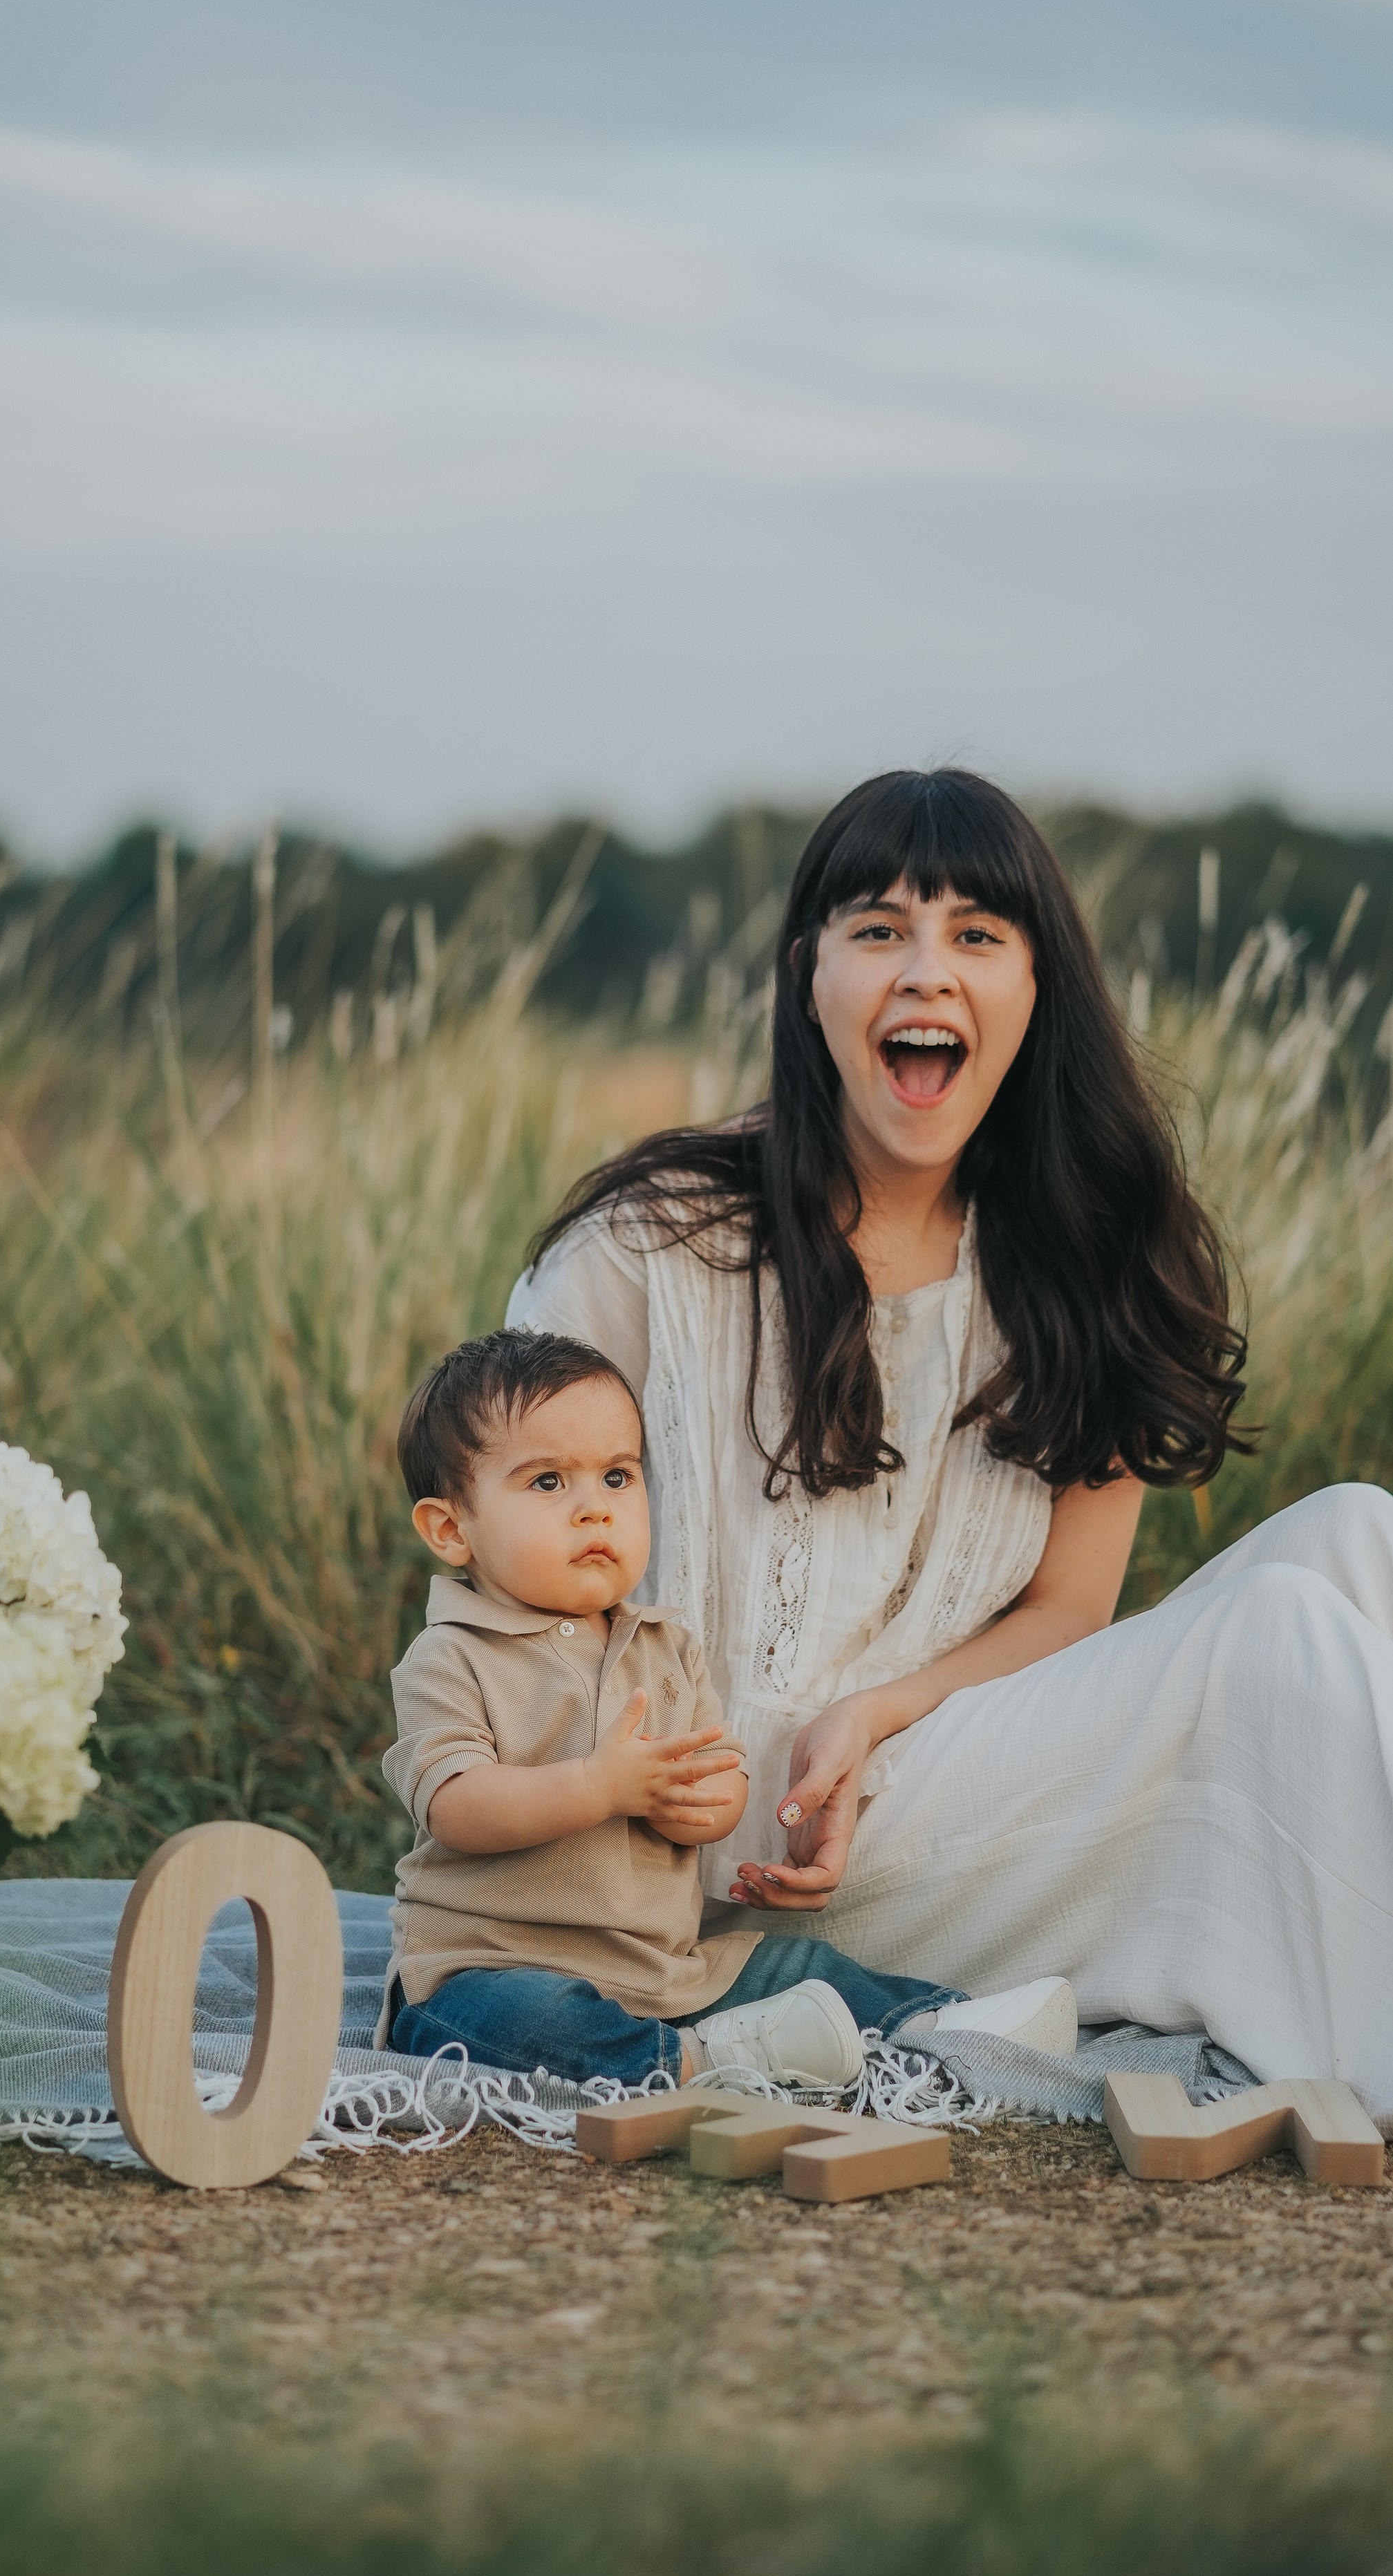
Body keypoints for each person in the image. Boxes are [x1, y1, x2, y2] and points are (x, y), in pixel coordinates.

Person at [509, 768, 1393, 2118]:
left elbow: (1069, 1609)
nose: (926, 970)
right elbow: (516, 1612)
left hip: (924, 1767)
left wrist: (873, 1712)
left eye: (977, 934)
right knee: (1273, 1631)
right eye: (878, 929)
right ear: (809, 975)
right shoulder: (650, 1249)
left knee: (1357, 1529)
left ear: (1037, 987)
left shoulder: (1077, 1249)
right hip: (721, 1837)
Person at [377, 1326, 1076, 2087]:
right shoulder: (450, 1655)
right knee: (503, 2024)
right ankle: (700, 2063)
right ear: (450, 1529)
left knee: (791, 1960)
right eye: (548, 1483)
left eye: (617, 1477)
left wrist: (701, 1805)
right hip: (494, 1963)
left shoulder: (665, 1645)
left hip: (662, 1971)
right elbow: (455, 1806)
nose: (594, 1509)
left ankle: (944, 2024)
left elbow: (717, 1782)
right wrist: (599, 1787)